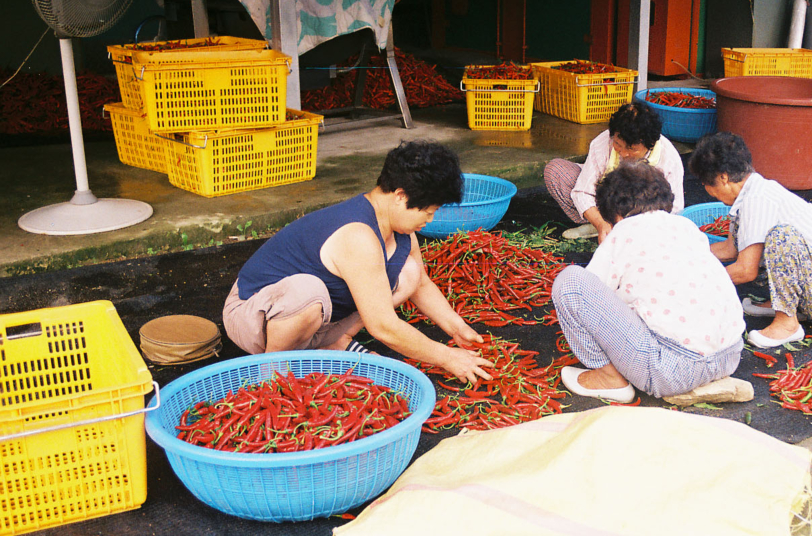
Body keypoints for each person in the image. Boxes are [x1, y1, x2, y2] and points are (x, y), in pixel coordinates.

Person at [222, 140, 493, 384]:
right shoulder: (357, 234)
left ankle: (335, 342)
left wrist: (458, 328)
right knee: (308, 293)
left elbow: (420, 283)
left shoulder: (401, 233)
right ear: (400, 196)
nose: (430, 220)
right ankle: (272, 371)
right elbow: (383, 326)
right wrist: (447, 358)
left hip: (316, 321)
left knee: (407, 273)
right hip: (253, 316)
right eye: (428, 211)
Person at [551, 161, 745, 403]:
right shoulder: (686, 227)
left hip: (671, 371)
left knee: (571, 282)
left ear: (616, 214)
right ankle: (707, 380)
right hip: (730, 356)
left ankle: (608, 378)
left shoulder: (622, 232)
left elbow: (594, 293)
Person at [687, 132, 812, 349]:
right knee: (762, 243)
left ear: (723, 178)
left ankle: (787, 323)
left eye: (705, 183)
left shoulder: (758, 198)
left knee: (780, 236)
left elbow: (746, 270)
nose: (707, 192)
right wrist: (687, 255)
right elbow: (730, 250)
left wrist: (696, 285)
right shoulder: (747, 197)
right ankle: (783, 304)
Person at [543, 100, 685, 243]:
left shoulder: (669, 158)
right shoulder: (603, 141)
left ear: (650, 144)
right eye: (617, 144)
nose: (623, 153)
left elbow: (674, 209)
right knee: (555, 171)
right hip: (604, 206)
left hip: (641, 218)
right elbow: (582, 191)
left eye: (632, 149)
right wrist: (600, 223)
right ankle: (598, 225)